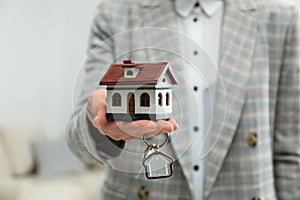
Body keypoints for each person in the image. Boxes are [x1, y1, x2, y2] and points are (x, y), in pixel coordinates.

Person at [67, 0, 300, 199]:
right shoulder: (116, 14)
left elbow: (290, 152)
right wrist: (99, 126)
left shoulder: (281, 18)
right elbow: (78, 143)